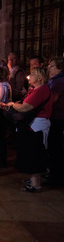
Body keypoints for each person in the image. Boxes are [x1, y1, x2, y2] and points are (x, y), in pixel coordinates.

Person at [0, 67, 52, 192]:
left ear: (39, 78)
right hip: (32, 125)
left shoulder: (41, 90)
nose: (30, 75)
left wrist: (12, 105)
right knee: (31, 151)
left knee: (34, 152)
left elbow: (25, 108)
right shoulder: (35, 90)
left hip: (37, 126)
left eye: (33, 74)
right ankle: (34, 180)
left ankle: (36, 184)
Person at [46, 57, 64, 186]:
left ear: (59, 67)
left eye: (51, 65)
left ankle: (55, 177)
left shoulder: (58, 81)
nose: (48, 67)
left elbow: (54, 99)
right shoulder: (55, 80)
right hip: (57, 116)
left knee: (55, 147)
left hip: (57, 117)